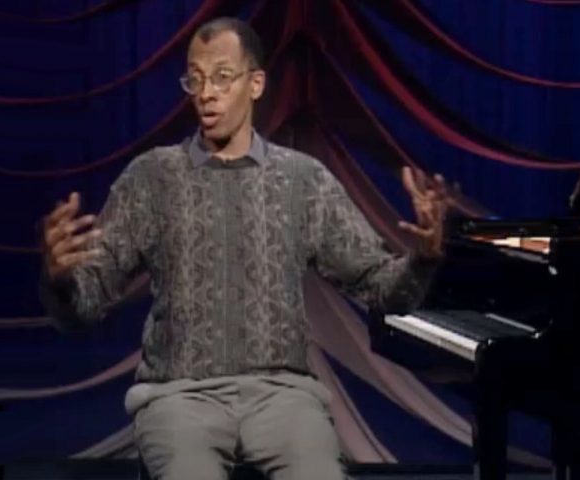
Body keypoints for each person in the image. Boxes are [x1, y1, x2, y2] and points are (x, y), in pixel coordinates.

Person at [40, 17, 448, 480]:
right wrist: (61, 282)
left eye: (221, 77)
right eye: (195, 79)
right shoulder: (152, 178)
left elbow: (381, 288)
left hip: (282, 395)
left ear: (255, 84)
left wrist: (422, 260)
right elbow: (85, 305)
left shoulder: (302, 181)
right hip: (180, 396)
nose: (205, 93)